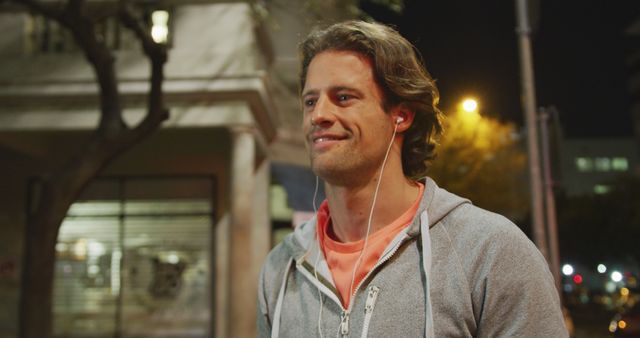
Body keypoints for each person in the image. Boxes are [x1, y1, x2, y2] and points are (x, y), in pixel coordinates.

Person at [257, 20, 568, 338]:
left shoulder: (489, 251)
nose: (318, 115)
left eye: (344, 97)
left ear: (401, 115)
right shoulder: (281, 268)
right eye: (310, 101)